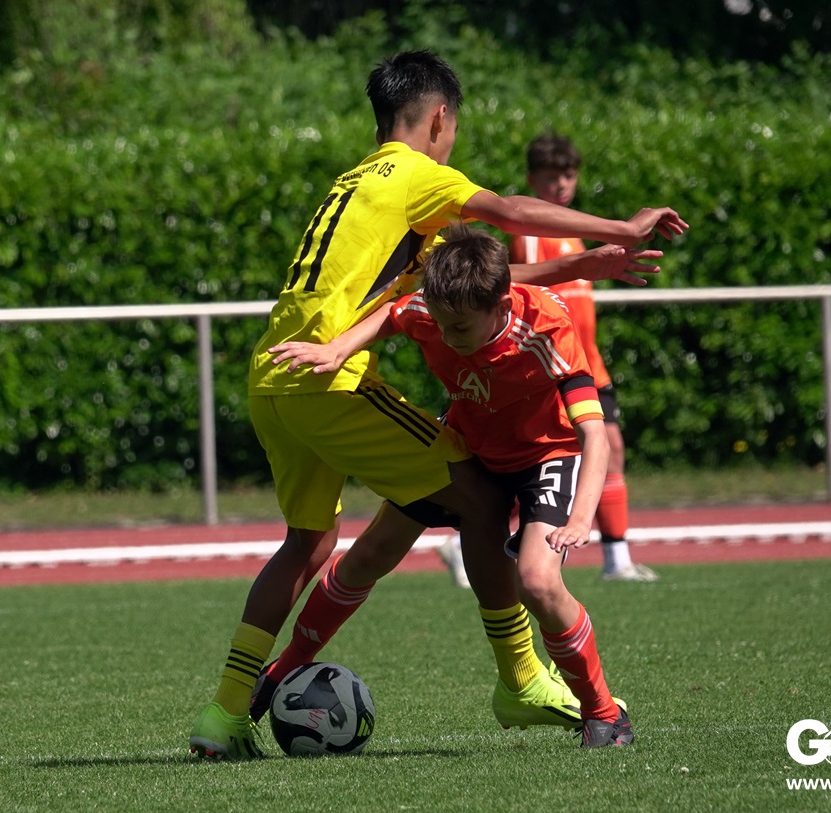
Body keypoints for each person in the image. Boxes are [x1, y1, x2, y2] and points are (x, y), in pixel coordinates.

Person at [188, 50, 686, 759]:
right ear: (440, 119)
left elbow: (476, 279)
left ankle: (224, 715)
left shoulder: (357, 183)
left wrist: (583, 264)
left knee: (309, 543)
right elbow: (510, 212)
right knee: (479, 497)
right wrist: (621, 229)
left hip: (273, 373)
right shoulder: (418, 173)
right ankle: (522, 679)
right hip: (330, 378)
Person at [263, 224, 634, 747]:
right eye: (439, 323)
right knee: (370, 553)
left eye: (458, 327)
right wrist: (338, 350)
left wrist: (579, 519)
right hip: (470, 445)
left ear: (501, 305)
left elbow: (594, 434)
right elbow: (394, 314)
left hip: (545, 456)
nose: (446, 335)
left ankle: (603, 713)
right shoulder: (434, 310)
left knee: (537, 581)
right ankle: (280, 672)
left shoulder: (546, 329)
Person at [510, 134, 659, 583]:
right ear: (532, 181)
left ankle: (617, 559)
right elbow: (525, 292)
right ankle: (469, 538)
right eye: (550, 178)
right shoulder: (532, 235)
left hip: (590, 365)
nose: (561, 185)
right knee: (546, 463)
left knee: (610, 450)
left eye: (568, 176)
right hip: (558, 367)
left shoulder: (572, 235)